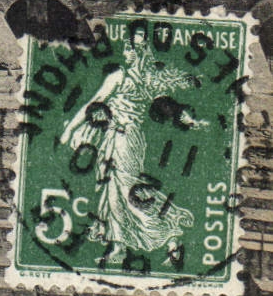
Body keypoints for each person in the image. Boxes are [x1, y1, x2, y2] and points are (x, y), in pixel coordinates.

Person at [59, 26, 203, 266]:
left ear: (143, 51)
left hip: (125, 140)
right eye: (129, 45)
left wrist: (68, 130)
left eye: (135, 47)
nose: (129, 51)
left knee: (122, 190)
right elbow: (95, 105)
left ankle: (157, 234)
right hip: (120, 138)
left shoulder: (134, 78)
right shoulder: (140, 79)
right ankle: (130, 243)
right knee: (116, 190)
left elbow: (94, 104)